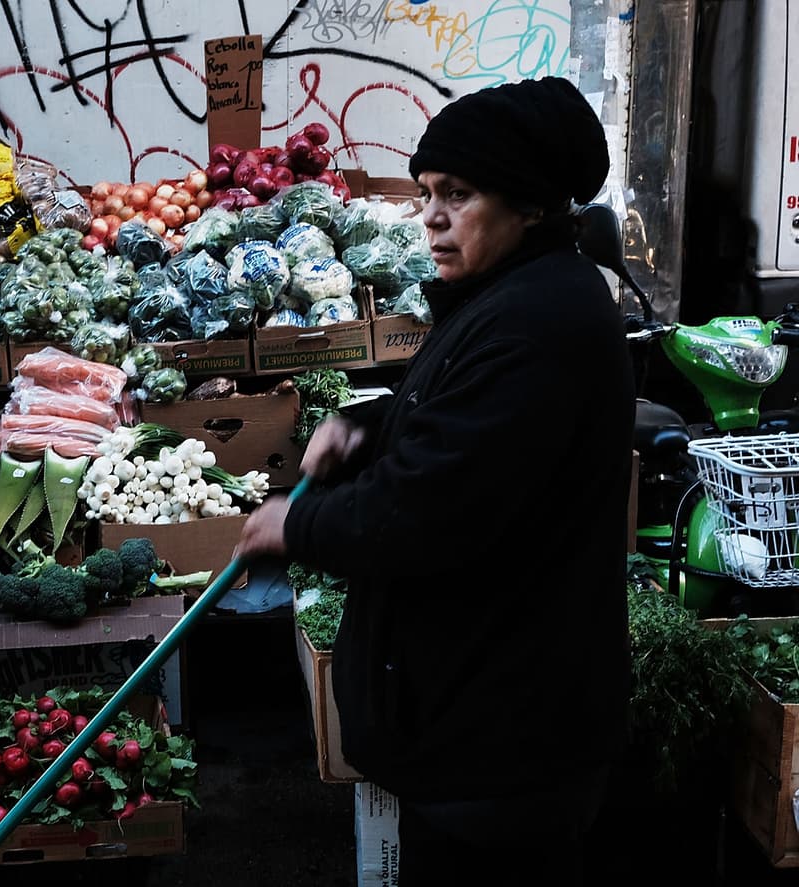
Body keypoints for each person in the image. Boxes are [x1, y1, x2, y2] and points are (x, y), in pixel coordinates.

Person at [236, 76, 635, 886]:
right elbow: (465, 418)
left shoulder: (540, 322)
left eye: (458, 193)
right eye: (426, 194)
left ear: (526, 204)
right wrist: (366, 426)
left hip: (503, 753)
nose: (432, 216)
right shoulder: (506, 299)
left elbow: (425, 512)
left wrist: (297, 526)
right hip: (474, 739)